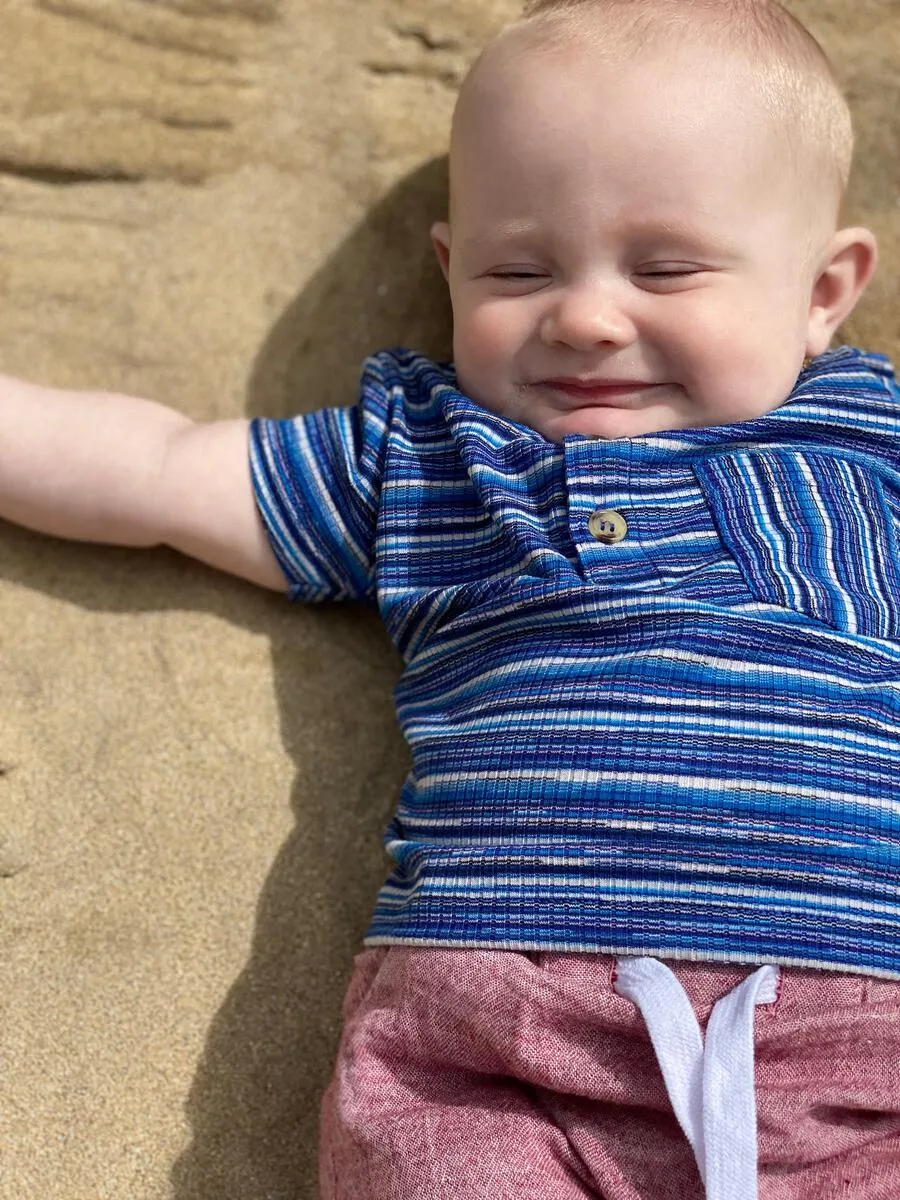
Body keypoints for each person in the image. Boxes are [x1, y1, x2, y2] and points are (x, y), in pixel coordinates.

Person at [1, 0, 898, 1196]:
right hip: (492, 1028)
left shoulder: (871, 441)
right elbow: (163, 471)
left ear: (823, 289)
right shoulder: (431, 456)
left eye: (666, 267)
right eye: (517, 269)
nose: (584, 315)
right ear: (447, 268)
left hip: (861, 1030)